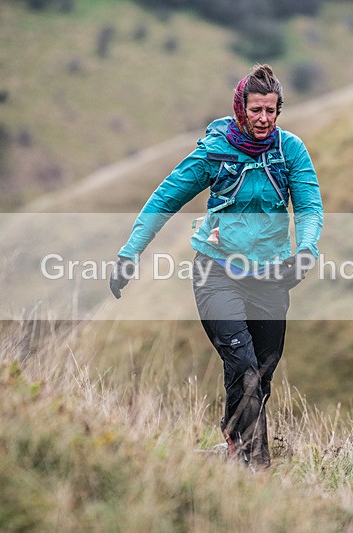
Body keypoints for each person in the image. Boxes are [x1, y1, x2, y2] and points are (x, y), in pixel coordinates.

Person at [109, 64, 323, 469]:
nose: (263, 119)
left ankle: (233, 432)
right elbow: (164, 200)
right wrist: (130, 252)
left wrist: (306, 248)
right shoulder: (215, 150)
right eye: (256, 110)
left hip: (271, 276)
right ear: (241, 108)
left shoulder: (290, 150)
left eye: (271, 111)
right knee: (242, 366)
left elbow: (310, 205)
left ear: (279, 111)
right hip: (217, 272)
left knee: (261, 376)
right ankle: (253, 465)